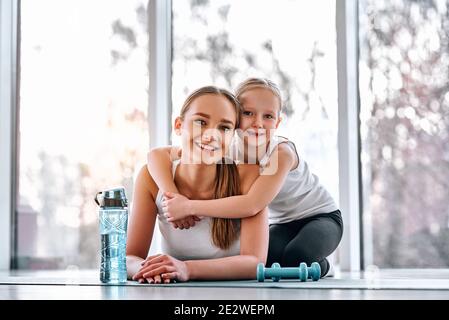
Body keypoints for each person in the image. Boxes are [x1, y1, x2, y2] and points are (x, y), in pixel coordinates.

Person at [147, 78, 343, 277]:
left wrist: (189, 206)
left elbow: (252, 204)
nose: (258, 123)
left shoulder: (281, 153)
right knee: (268, 262)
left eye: (268, 116)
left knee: (296, 255)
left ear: (278, 122)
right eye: (248, 113)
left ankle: (324, 266)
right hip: (281, 223)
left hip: (320, 216)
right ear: (235, 117)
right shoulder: (226, 148)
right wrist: (173, 196)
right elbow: (156, 155)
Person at [127, 86, 268, 284]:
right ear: (178, 125)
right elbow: (128, 258)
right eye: (201, 122)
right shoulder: (150, 178)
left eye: (224, 128)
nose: (212, 136)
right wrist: (152, 269)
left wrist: (186, 268)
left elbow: (255, 263)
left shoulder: (248, 175)